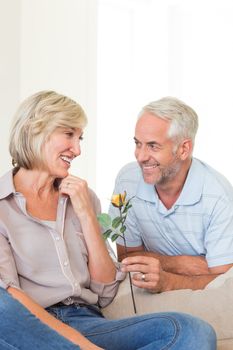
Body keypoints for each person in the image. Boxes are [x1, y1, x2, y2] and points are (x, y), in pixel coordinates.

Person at [0, 90, 216, 350]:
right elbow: (9, 300)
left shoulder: (83, 198)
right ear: (35, 130)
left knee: (189, 330)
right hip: (27, 328)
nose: (77, 149)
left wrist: (86, 214)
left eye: (80, 138)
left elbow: (105, 291)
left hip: (86, 321)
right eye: (69, 135)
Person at [109, 96, 233, 293]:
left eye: (153, 146)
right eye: (137, 143)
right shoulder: (128, 180)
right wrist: (179, 264)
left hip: (210, 299)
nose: (140, 157)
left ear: (184, 149)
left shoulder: (217, 196)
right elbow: (127, 258)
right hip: (151, 293)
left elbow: (225, 283)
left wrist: (168, 281)